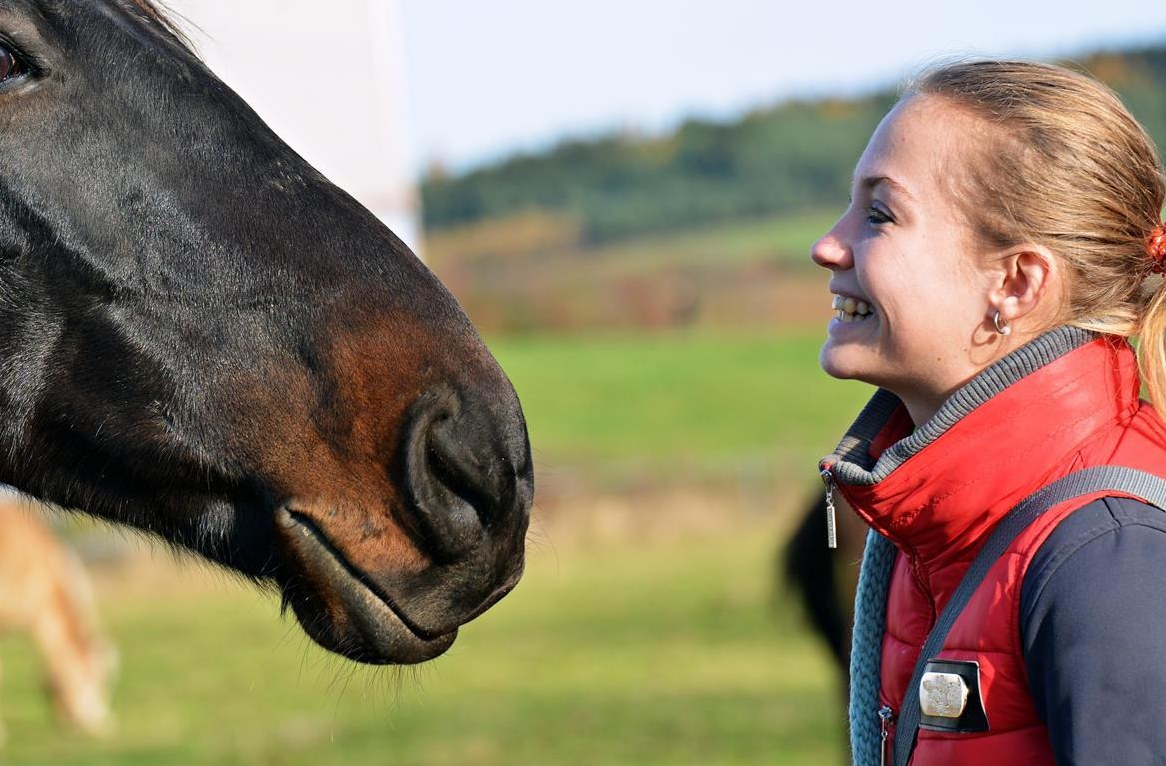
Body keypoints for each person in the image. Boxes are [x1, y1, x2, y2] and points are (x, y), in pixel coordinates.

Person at [812, 59, 1166, 765]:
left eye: (880, 214)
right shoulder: (934, 531)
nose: (826, 245)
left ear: (1016, 283)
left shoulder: (1109, 554)